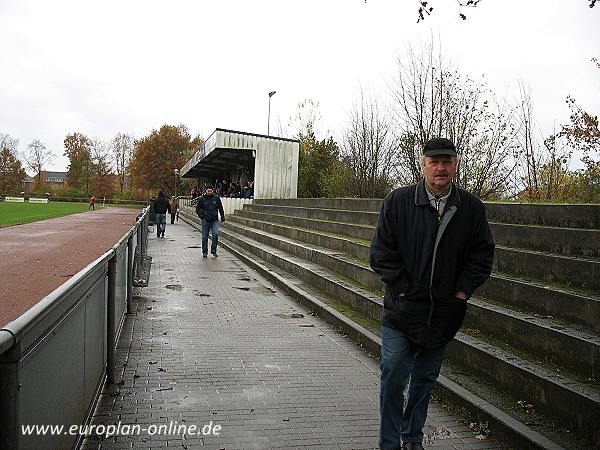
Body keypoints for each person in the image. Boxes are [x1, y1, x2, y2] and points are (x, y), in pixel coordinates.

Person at [369, 137, 495, 450]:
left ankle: (412, 438)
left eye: (447, 161)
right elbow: (381, 253)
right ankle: (388, 443)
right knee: (394, 373)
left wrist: (462, 293)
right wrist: (401, 290)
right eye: (434, 161)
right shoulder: (397, 202)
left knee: (424, 380)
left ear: (455, 164)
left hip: (443, 314)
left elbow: (482, 255)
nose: (441, 168)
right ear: (423, 164)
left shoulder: (471, 208)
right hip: (401, 311)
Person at [195, 185, 225, 257]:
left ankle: (213, 250)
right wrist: (202, 217)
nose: (209, 192)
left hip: (214, 220)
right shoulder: (202, 199)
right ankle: (204, 251)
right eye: (208, 191)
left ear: (213, 191)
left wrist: (223, 218)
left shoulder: (216, 198)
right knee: (204, 237)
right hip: (206, 220)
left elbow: (221, 209)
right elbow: (197, 209)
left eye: (211, 191)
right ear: (205, 191)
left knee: (215, 234)